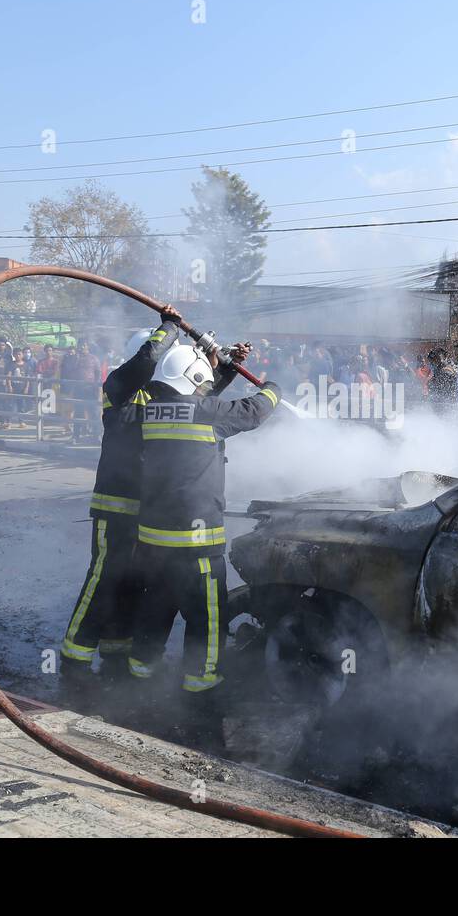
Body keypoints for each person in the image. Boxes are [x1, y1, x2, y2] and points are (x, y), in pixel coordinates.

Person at [128, 341, 280, 733]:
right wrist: (273, 389)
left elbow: (199, 403)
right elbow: (253, 411)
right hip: (196, 545)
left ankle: (138, 675)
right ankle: (201, 688)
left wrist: (221, 369)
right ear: (193, 379)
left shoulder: (151, 411)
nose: (203, 388)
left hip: (153, 542)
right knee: (207, 618)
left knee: (154, 610)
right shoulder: (205, 412)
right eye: (201, 382)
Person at [60, 310, 185, 698]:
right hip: (114, 507)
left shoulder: (159, 398)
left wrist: (223, 368)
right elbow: (147, 360)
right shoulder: (120, 387)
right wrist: (170, 327)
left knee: (132, 583)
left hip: (146, 511)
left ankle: (117, 654)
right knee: (103, 580)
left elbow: (203, 400)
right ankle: (73, 661)